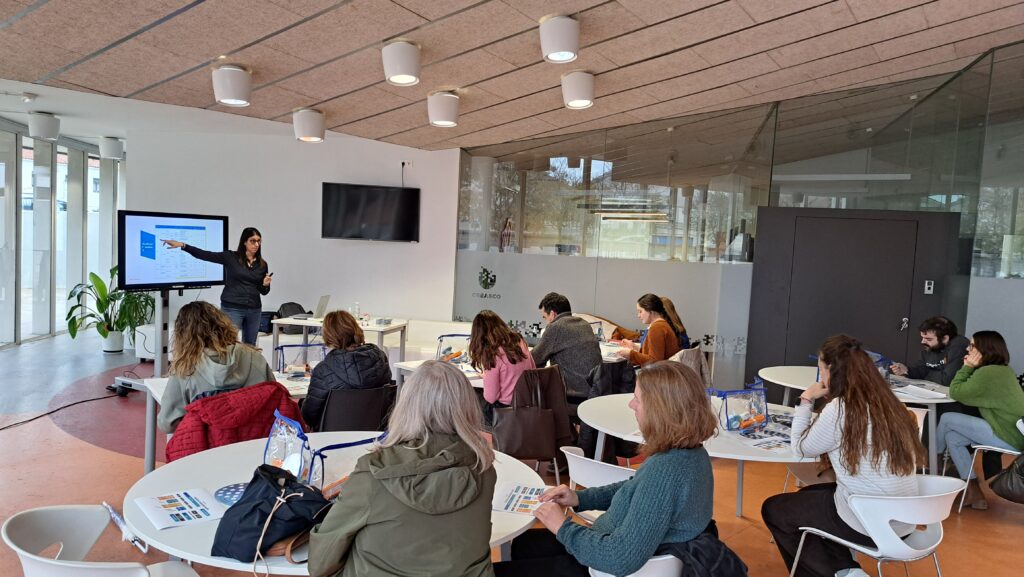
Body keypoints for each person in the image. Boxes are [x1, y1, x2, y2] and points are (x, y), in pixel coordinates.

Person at [493, 361, 718, 577]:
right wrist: (579, 498)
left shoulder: (666, 471)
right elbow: (635, 488)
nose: (632, 405)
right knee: (525, 544)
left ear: (659, 411)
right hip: (612, 549)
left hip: (604, 566)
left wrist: (562, 527)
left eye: (638, 399)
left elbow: (619, 558)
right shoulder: (692, 455)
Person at [308, 361, 496, 577]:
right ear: (468, 406)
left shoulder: (372, 473)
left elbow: (320, 563)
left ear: (405, 405)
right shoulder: (483, 468)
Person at [762, 335, 924, 577]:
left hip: (868, 523)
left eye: (821, 370)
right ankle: (845, 569)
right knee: (810, 498)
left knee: (774, 509)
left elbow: (801, 448)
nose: (821, 378)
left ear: (832, 371)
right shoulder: (892, 404)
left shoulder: (842, 408)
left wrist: (806, 399)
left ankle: (840, 573)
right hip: (905, 522)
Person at [937, 330, 1024, 510]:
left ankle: (933, 463)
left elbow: (957, 392)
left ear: (984, 350)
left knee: (946, 418)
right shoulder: (1002, 370)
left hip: (1007, 434)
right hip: (1010, 432)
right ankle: (974, 492)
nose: (968, 349)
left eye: (972, 346)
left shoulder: (990, 373)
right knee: (953, 438)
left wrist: (967, 366)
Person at [157, 301, 275, 434]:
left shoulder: (186, 369)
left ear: (182, 335)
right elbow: (275, 401)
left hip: (207, 449)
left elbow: (167, 423)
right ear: (222, 324)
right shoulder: (255, 357)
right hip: (254, 444)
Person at [162, 227, 271, 346]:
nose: (256, 244)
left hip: (254, 309)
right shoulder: (231, 257)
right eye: (252, 241)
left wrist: (265, 285)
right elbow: (205, 255)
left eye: (258, 241)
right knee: (228, 343)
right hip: (233, 308)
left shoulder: (262, 264)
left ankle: (247, 365)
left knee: (250, 344)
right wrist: (183, 245)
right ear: (244, 242)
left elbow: (263, 291)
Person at [301, 310, 392, 430]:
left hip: (331, 440)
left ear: (329, 336)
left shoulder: (323, 371)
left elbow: (309, 417)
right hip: (374, 438)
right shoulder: (381, 360)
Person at [469, 310, 535, 426]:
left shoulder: (493, 354)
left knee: (474, 396)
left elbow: (491, 397)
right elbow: (532, 370)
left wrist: (487, 379)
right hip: (528, 404)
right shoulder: (519, 341)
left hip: (506, 410)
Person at [531, 292, 602, 400]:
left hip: (573, 395)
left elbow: (534, 360)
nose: (546, 322)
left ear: (553, 314)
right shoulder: (584, 324)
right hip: (595, 391)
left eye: (545, 317)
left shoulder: (556, 327)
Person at [889, 316, 969, 386]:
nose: (922, 342)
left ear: (945, 338)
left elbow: (947, 380)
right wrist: (907, 370)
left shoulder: (959, 346)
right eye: (922, 337)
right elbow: (921, 370)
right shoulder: (933, 346)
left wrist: (927, 373)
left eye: (928, 339)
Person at [615, 293, 681, 366]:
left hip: (660, 374)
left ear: (650, 311)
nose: (638, 315)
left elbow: (654, 362)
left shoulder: (657, 328)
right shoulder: (662, 325)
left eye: (640, 311)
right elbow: (653, 355)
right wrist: (635, 348)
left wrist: (630, 354)